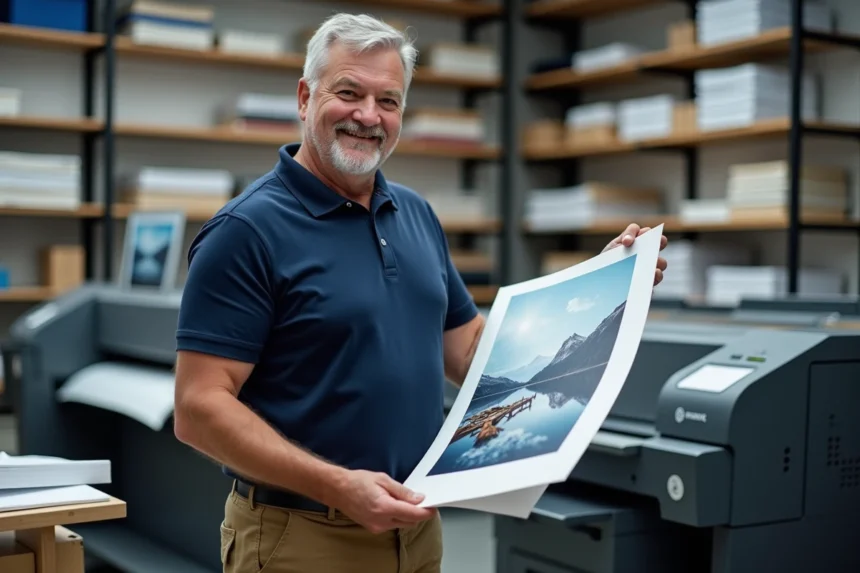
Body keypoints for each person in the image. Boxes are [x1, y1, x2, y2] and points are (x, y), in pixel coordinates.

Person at [172, 12, 668, 573]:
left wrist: (601, 282)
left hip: (416, 529)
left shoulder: (414, 213)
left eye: (389, 100)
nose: (368, 116)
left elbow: (468, 350)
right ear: (306, 97)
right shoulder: (245, 231)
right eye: (349, 92)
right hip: (303, 537)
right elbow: (199, 408)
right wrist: (339, 486)